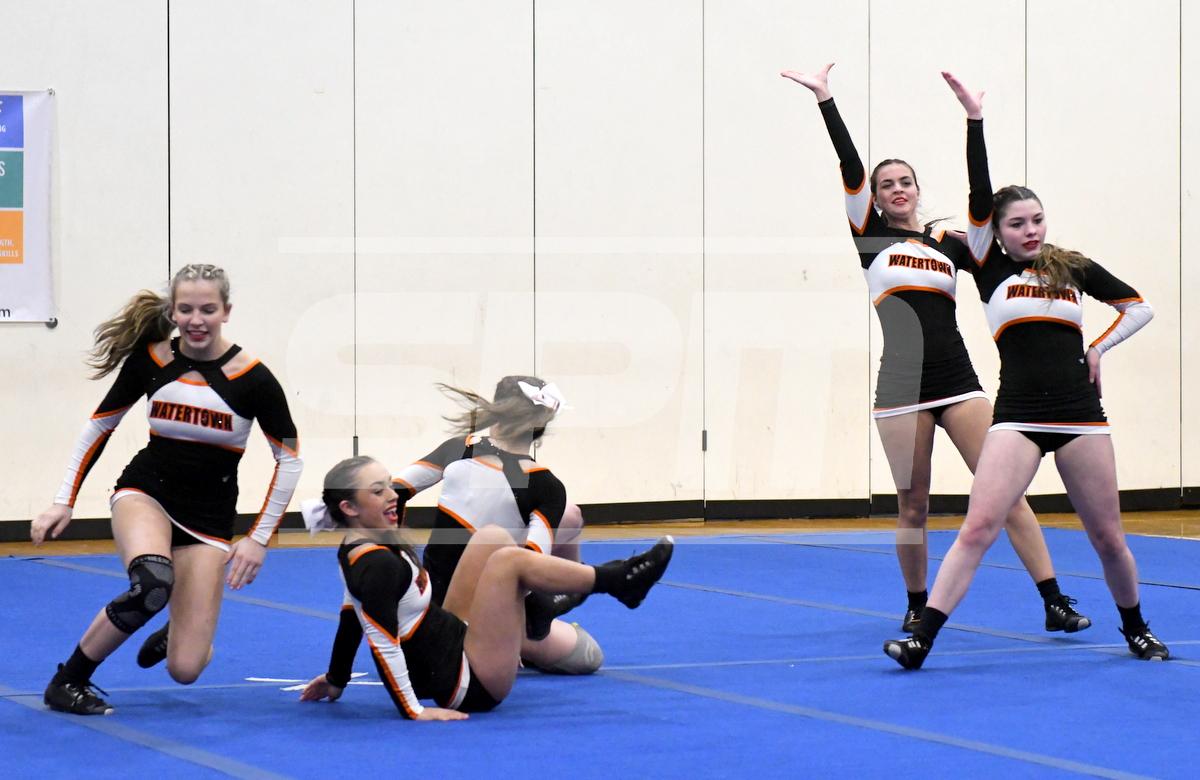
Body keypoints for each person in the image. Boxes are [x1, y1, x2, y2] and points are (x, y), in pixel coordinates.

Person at [781, 63, 1088, 633]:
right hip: (901, 384)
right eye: (887, 185)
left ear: (918, 190)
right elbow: (850, 167)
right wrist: (826, 99)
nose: (897, 189)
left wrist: (974, 120)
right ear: (875, 198)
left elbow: (987, 212)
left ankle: (1054, 600)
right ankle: (917, 602)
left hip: (958, 380)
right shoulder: (870, 238)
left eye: (906, 181)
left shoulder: (949, 242)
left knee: (1006, 494)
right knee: (913, 504)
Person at [883, 73, 1167, 669]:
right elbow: (979, 191)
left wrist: (1098, 348)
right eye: (1017, 224)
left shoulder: (1073, 267)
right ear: (997, 232)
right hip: (1017, 417)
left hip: (1081, 417)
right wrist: (974, 120)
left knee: (1108, 538)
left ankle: (1136, 628)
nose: (1030, 230)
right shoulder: (989, 267)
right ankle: (921, 639)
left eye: (1037, 220)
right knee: (978, 528)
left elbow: (1138, 308)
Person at [31, 263, 304, 713]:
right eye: (186, 309)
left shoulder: (254, 379)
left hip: (209, 519)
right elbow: (99, 426)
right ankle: (68, 680)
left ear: (227, 311)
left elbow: (289, 458)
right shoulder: (152, 360)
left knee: (185, 668)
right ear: (173, 312)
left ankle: (178, 629)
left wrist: (258, 538)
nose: (197, 320)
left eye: (208, 310)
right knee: (152, 584)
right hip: (147, 494)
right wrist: (64, 501)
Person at [298, 456, 673, 718]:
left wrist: (336, 679)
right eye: (378, 492)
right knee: (508, 562)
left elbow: (350, 615)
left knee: (492, 537)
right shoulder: (376, 565)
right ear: (349, 508)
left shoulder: (360, 545)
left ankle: (541, 605)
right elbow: (381, 641)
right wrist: (413, 710)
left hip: (450, 644)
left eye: (389, 485)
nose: (393, 495)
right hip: (468, 683)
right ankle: (617, 580)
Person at [348, 376, 597, 674]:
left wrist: (395, 552)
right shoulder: (546, 486)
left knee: (568, 516)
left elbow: (394, 492)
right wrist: (524, 616)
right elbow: (530, 567)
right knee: (589, 655)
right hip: (483, 613)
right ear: (542, 424)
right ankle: (553, 606)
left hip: (429, 604)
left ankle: (548, 608)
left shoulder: (459, 449)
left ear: (497, 412)